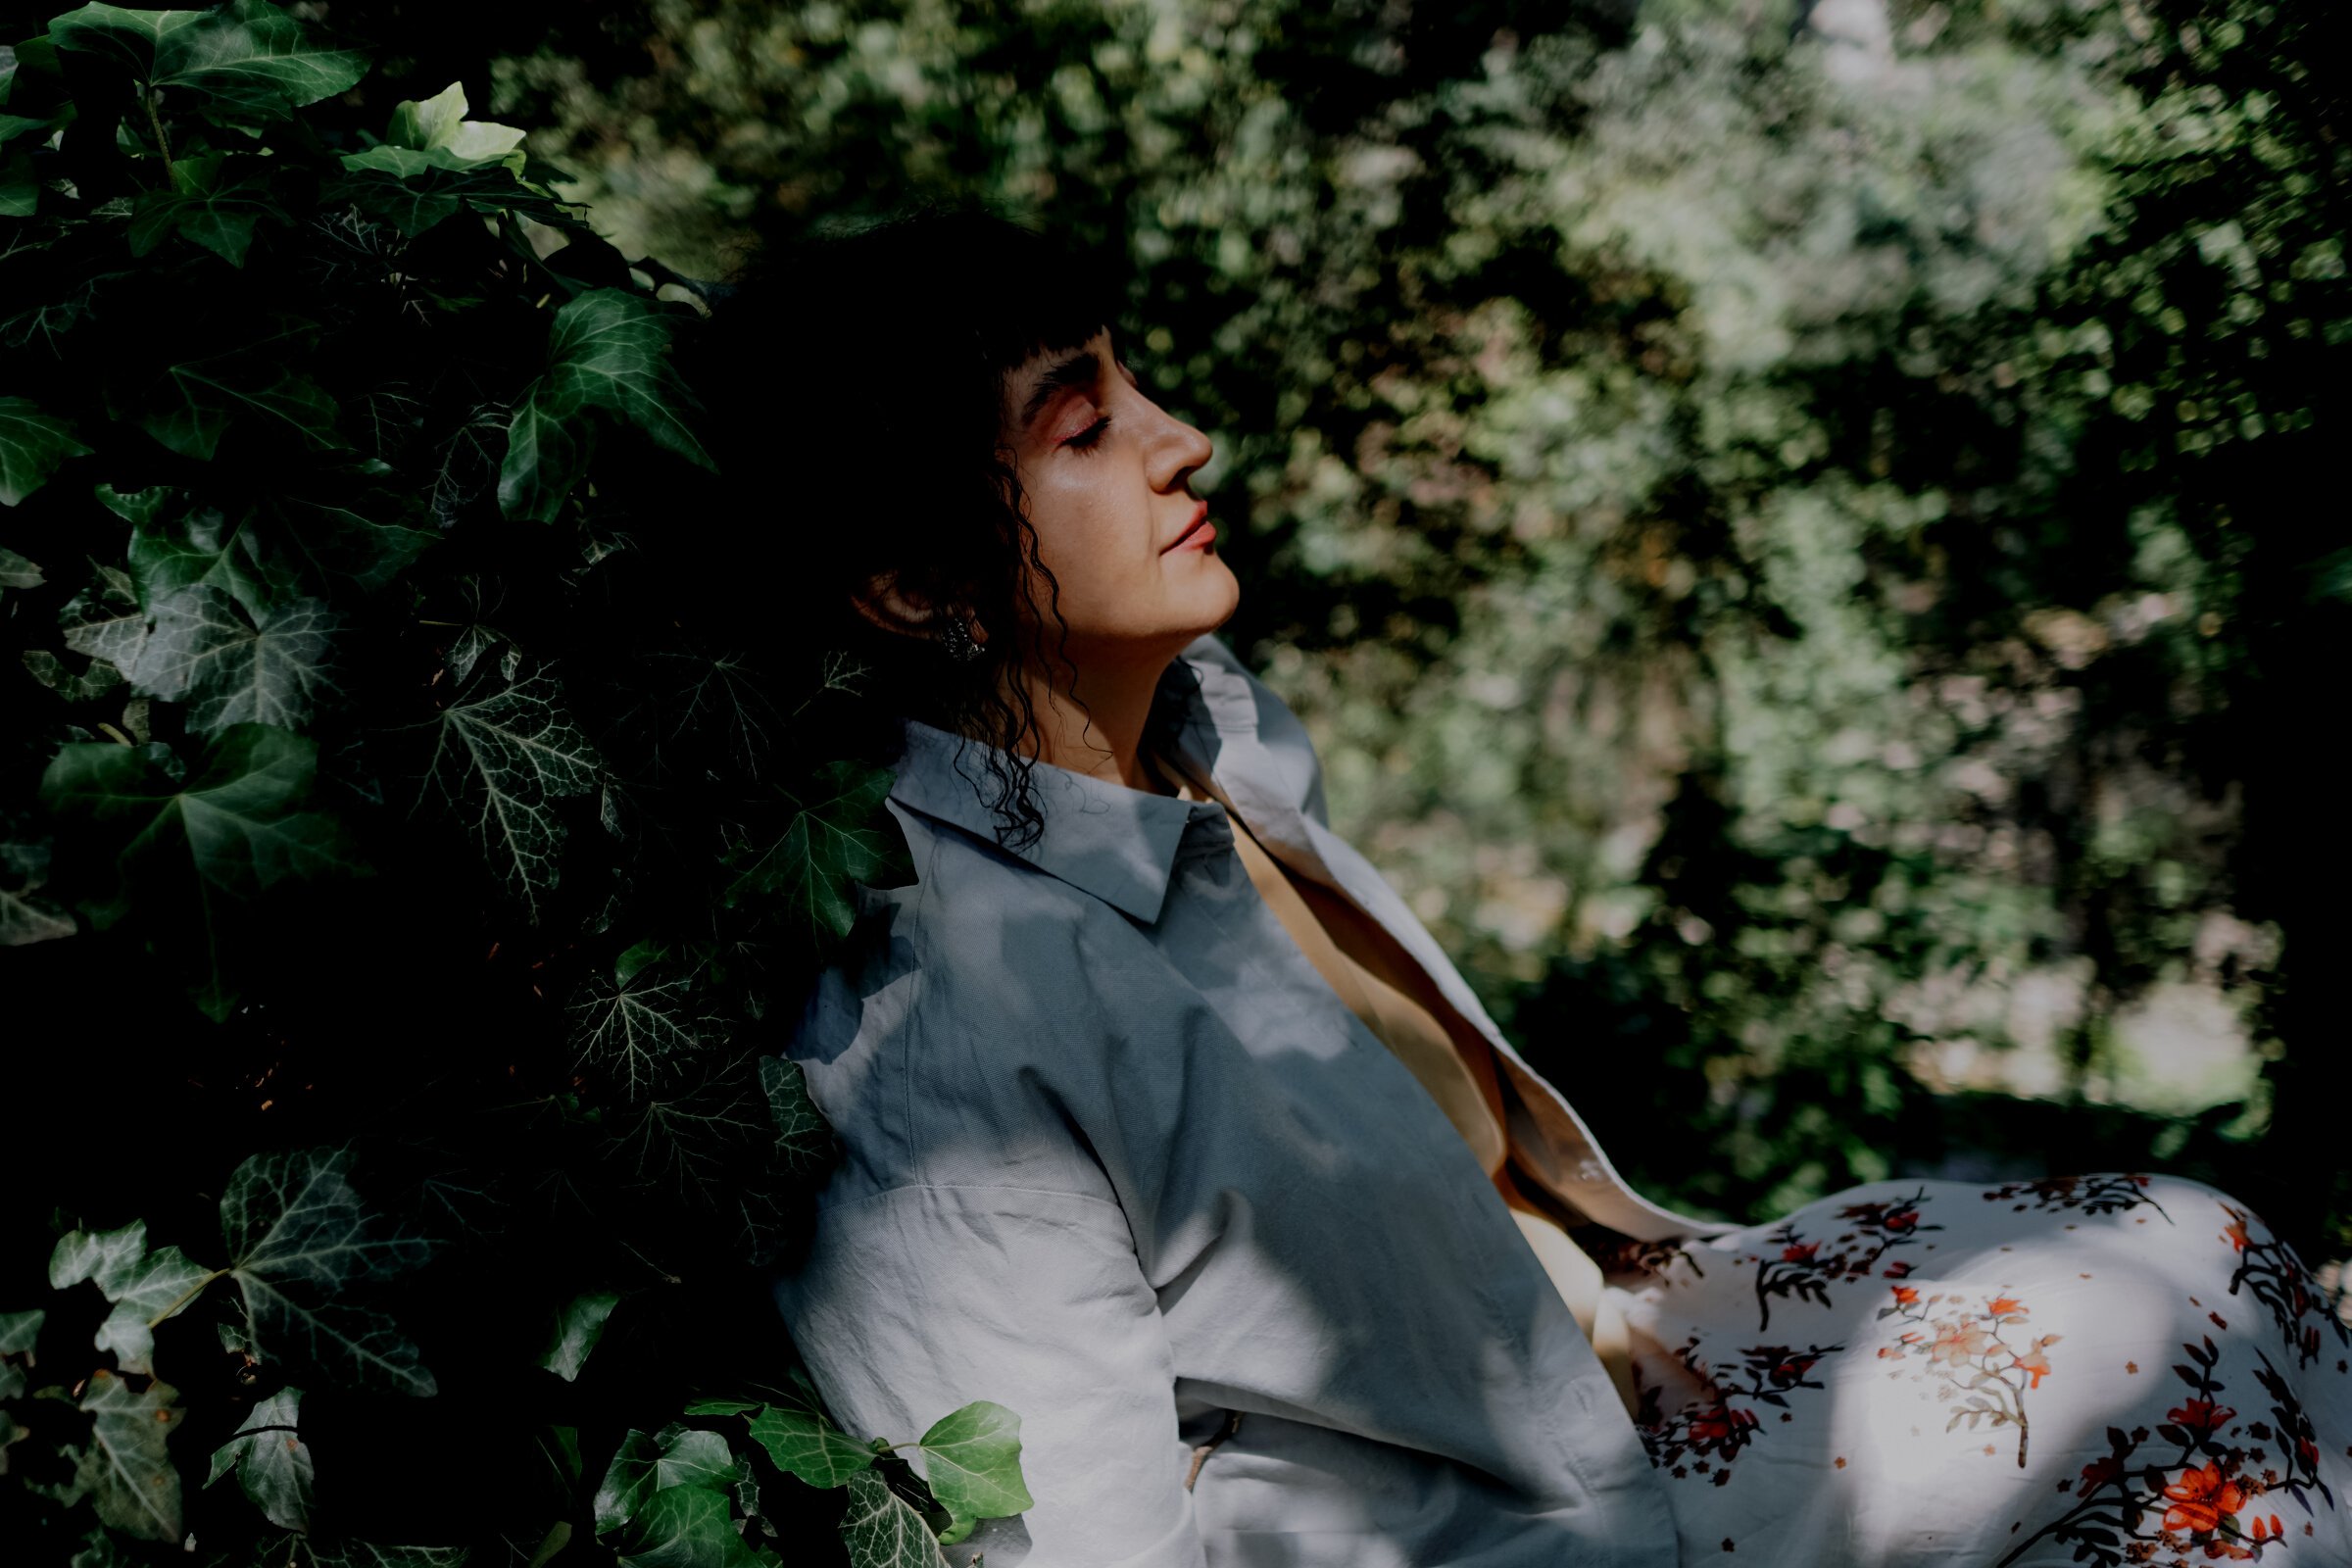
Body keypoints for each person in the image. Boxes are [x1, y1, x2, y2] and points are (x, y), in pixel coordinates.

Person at [725, 201, 2352, 1566]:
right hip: (1521, 1524)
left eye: (1133, 381)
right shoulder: (931, 1021)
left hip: (1633, 1340)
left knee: (2205, 1247)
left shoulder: (1209, 747)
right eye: (1083, 424)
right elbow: (1063, 1543)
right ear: (911, 579)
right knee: (2174, 1426)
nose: (1179, 437)